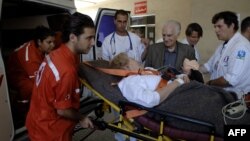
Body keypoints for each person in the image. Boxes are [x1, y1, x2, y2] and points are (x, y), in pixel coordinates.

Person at [26, 12, 95, 141]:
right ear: (73, 37)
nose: (93, 43)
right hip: (50, 132)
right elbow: (62, 111)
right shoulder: (66, 70)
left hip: (37, 120)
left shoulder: (57, 53)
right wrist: (81, 118)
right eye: (89, 38)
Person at [200, 11, 250, 99]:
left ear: (232, 26)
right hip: (217, 94)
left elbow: (230, 80)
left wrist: (210, 83)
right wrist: (192, 69)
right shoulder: (222, 47)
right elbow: (208, 67)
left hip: (233, 99)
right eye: (215, 27)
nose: (216, 30)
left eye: (219, 26)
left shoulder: (241, 47)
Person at [110, 53, 189, 108]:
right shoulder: (129, 83)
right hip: (175, 99)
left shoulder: (145, 71)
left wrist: (180, 77)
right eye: (132, 59)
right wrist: (177, 83)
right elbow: (150, 100)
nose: (136, 60)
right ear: (127, 67)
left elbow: (164, 77)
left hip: (181, 89)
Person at [7, 25, 55, 102]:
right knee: (30, 87)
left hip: (27, 68)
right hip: (15, 74)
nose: (53, 45)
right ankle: (22, 105)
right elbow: (38, 82)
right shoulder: (31, 58)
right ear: (39, 42)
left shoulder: (39, 46)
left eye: (53, 42)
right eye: (49, 42)